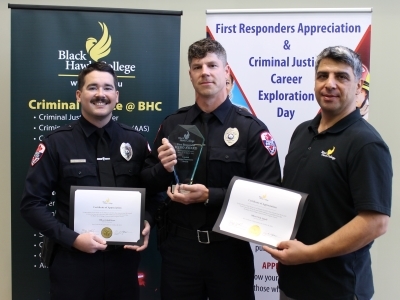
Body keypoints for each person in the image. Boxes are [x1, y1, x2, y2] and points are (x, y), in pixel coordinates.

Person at [141, 38, 281, 300]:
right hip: (179, 252)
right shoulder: (172, 124)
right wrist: (162, 168)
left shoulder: (251, 128)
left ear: (226, 71)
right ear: (190, 75)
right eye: (197, 67)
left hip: (229, 251)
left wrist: (210, 196)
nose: (204, 72)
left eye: (212, 65)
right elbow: (148, 181)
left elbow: (270, 195)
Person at [263, 46, 392, 300]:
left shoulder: (366, 143)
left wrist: (309, 253)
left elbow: (375, 222)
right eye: (323, 76)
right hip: (293, 284)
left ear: (358, 87)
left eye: (341, 77)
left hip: (337, 289)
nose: (329, 84)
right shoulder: (302, 131)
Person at [20, 61, 156, 300]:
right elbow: (31, 204)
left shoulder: (136, 142)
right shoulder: (56, 143)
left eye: (107, 88)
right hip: (73, 264)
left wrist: (147, 220)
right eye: (92, 88)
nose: (100, 94)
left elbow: (156, 192)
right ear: (79, 95)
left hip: (123, 264)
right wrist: (72, 239)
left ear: (116, 96)